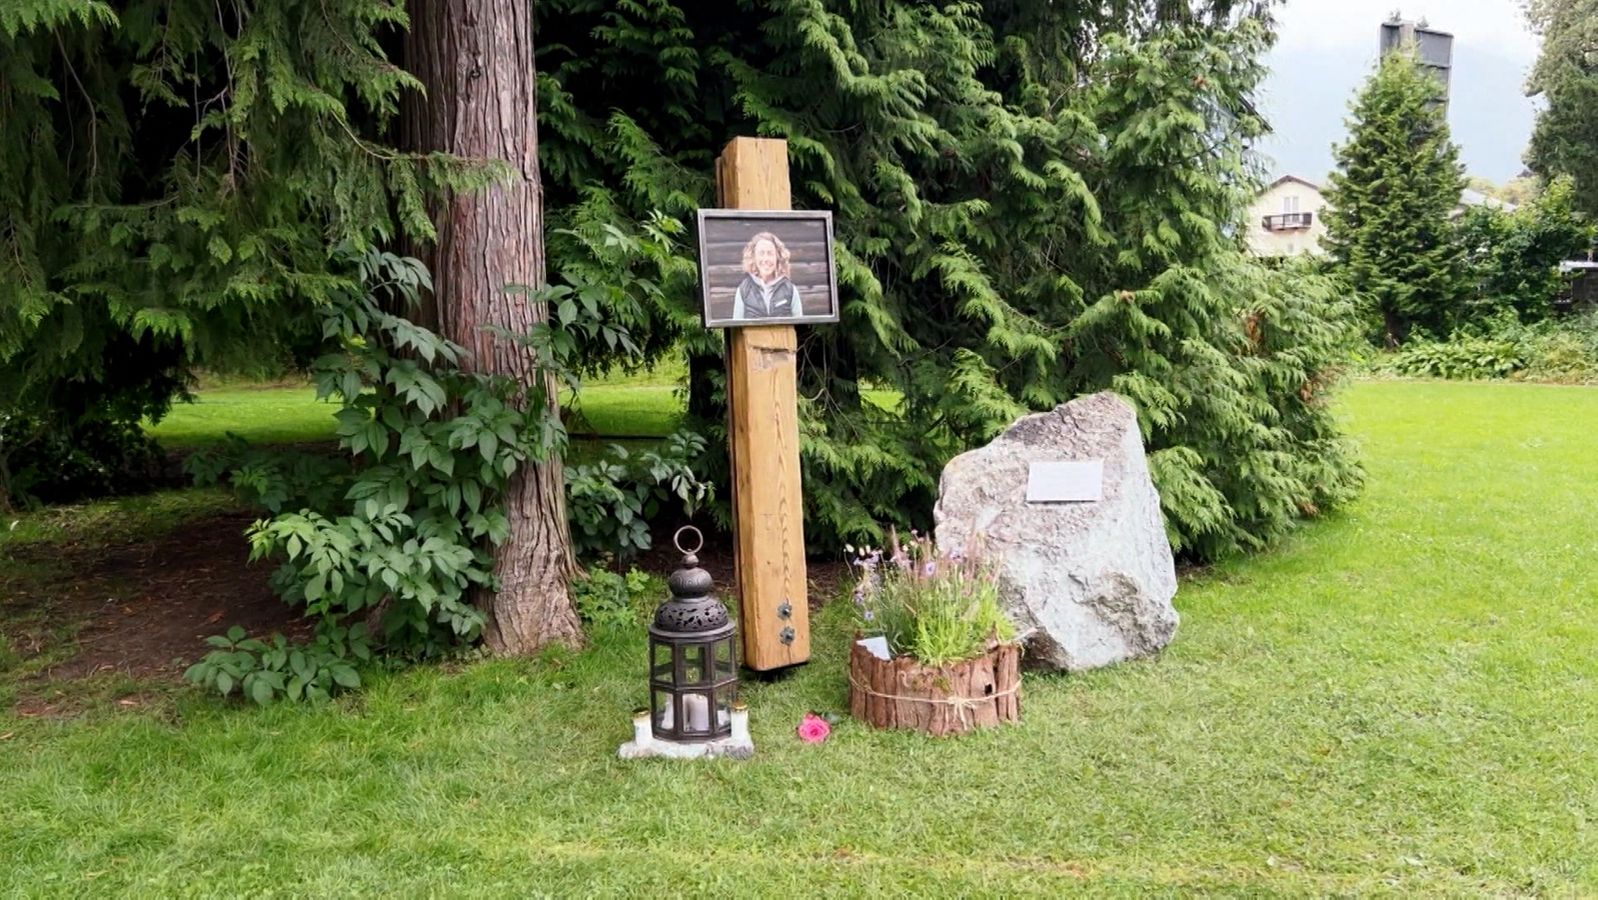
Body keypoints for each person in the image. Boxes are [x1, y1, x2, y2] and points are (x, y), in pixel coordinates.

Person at [731, 231, 802, 320]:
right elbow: (736, 327)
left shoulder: (790, 290)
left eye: (770, 253)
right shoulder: (743, 291)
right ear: (753, 257)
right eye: (761, 253)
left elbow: (800, 325)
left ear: (778, 257)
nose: (766, 259)